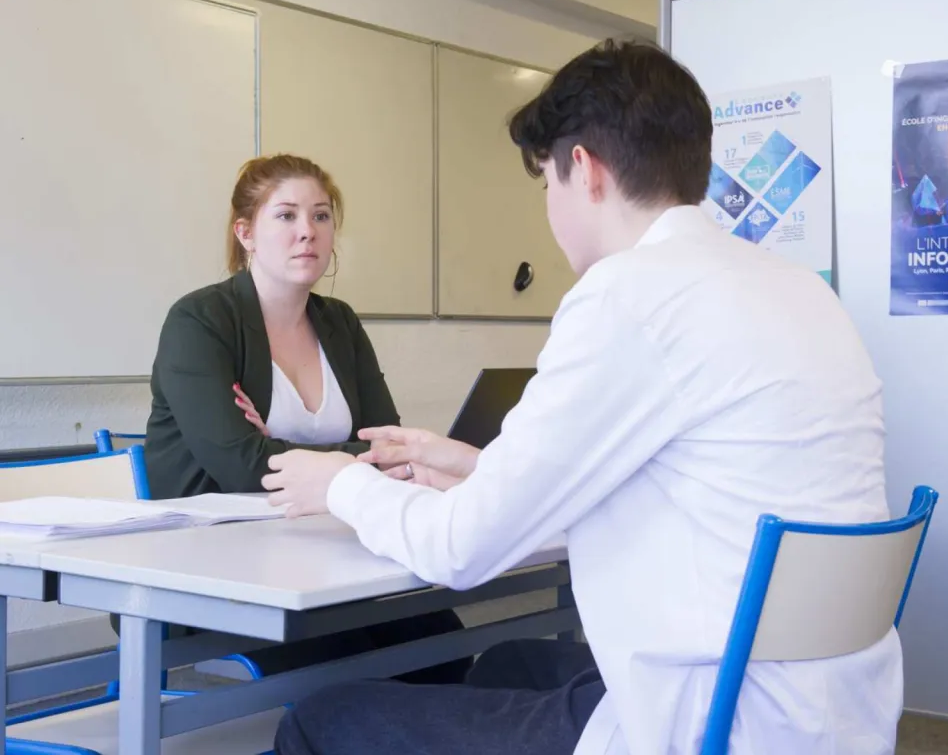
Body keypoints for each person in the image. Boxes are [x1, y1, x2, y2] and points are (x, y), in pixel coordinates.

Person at [262, 40, 902, 755]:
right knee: (509, 661)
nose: (550, 210)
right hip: (828, 714)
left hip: (707, 725)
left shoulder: (628, 294)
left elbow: (459, 551)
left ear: (584, 171)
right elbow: (690, 501)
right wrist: (484, 471)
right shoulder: (797, 289)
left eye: (547, 186)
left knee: (322, 721)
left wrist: (344, 482)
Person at [138, 153, 469, 682]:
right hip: (219, 566)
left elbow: (387, 447)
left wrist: (282, 446)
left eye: (321, 216)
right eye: (286, 216)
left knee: (445, 646)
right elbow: (243, 467)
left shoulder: (338, 321)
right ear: (245, 233)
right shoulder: (199, 321)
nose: (307, 233)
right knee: (366, 666)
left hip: (326, 549)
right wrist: (318, 458)